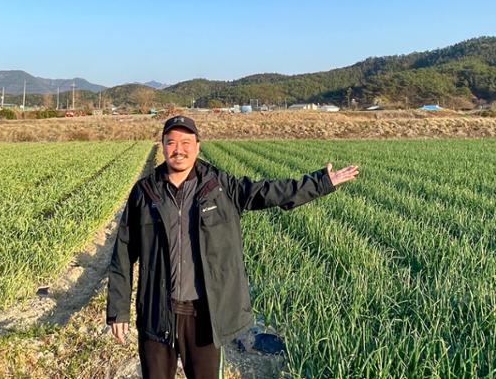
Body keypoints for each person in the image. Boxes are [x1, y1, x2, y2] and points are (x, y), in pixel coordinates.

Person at [106, 115, 358, 379]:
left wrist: (321, 183)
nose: (178, 150)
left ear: (198, 146)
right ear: (162, 146)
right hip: (157, 315)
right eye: (171, 143)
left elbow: (269, 191)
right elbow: (122, 253)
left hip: (203, 316)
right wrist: (118, 310)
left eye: (185, 142)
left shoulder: (220, 187)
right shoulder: (145, 192)